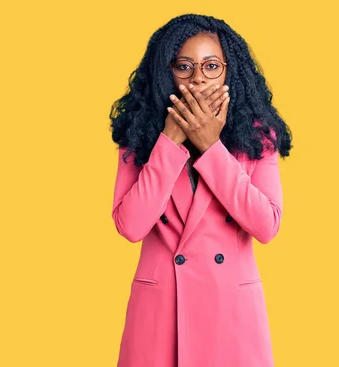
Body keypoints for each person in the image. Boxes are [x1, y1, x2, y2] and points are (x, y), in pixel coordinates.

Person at [108, 13, 292, 367]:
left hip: (230, 317)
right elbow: (130, 225)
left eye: (211, 66)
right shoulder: (139, 134)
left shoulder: (257, 136)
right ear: (167, 72)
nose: (198, 79)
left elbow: (266, 225)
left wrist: (212, 149)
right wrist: (168, 142)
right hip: (160, 317)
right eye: (184, 66)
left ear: (228, 72)